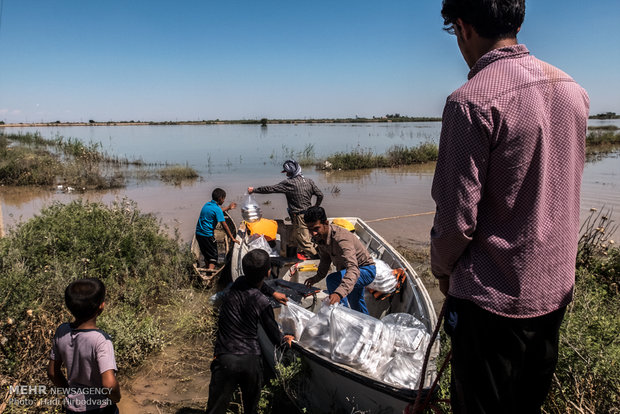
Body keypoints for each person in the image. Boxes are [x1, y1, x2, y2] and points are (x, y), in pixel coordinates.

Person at [430, 1, 589, 412]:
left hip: (491, 306)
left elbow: (454, 222)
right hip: (553, 292)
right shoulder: (572, 90)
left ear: (463, 28)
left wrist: (442, 271)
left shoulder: (470, 102)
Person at [205, 249, 294, 414]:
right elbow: (274, 335)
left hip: (225, 358)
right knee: (251, 409)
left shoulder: (238, 283)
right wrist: (286, 341)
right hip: (250, 361)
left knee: (215, 410)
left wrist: (273, 292)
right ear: (268, 272)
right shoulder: (262, 303)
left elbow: (256, 284)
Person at [48, 278, 121, 413]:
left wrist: (70, 393)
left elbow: (53, 372)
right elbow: (109, 384)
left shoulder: (62, 331)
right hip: (101, 409)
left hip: (72, 407)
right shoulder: (101, 340)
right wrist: (116, 398)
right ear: (101, 306)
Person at [303, 206, 376, 314]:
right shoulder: (320, 238)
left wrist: (338, 294)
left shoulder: (341, 239)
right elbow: (325, 261)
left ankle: (342, 318)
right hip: (349, 273)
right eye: (309, 229)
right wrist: (316, 278)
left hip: (365, 270)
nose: (313, 233)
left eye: (316, 228)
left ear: (326, 223)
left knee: (333, 280)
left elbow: (353, 269)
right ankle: (367, 326)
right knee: (356, 302)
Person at [248, 159, 323, 260]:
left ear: (291, 172)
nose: (286, 175)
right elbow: (320, 195)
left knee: (305, 243)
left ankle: (320, 259)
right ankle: (293, 256)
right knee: (294, 238)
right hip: (309, 215)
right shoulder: (309, 181)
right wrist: (315, 208)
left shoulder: (289, 183)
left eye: (287, 172)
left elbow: (270, 189)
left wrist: (254, 190)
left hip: (299, 218)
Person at [196, 188, 239, 271]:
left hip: (198, 234)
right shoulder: (217, 209)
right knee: (213, 257)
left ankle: (207, 266)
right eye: (224, 199)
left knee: (206, 253)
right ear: (220, 199)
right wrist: (232, 238)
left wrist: (228, 208)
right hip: (207, 235)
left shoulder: (207, 205)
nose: (223, 201)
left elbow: (217, 211)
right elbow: (225, 225)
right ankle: (210, 273)